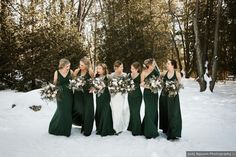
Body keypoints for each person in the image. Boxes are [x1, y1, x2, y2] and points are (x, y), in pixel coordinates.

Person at [49, 58, 73, 137]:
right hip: (60, 95)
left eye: (69, 66)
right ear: (62, 65)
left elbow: (74, 82)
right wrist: (53, 91)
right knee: (61, 111)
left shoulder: (71, 72)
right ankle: (56, 128)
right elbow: (54, 83)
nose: (68, 67)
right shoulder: (57, 72)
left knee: (68, 112)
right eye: (67, 66)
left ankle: (66, 130)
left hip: (69, 95)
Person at [159, 59, 182, 140]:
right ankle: (166, 129)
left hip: (173, 97)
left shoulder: (177, 74)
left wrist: (173, 87)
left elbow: (180, 86)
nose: (167, 64)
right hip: (164, 96)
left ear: (172, 65)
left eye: (168, 63)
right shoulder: (164, 73)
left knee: (173, 114)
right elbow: (159, 81)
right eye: (167, 63)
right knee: (165, 112)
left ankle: (173, 133)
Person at [73, 57, 94, 136]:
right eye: (79, 64)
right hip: (78, 94)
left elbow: (94, 82)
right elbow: (72, 80)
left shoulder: (90, 71)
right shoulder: (77, 71)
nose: (80, 66)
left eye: (82, 65)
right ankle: (81, 125)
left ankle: (87, 130)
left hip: (87, 94)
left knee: (88, 111)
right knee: (80, 110)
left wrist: (92, 87)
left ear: (86, 65)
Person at [141, 58, 160, 139]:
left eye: (154, 64)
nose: (154, 65)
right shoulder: (144, 72)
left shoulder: (156, 72)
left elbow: (159, 82)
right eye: (153, 64)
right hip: (147, 93)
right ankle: (149, 131)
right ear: (148, 65)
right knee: (149, 110)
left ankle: (153, 128)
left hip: (155, 94)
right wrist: (150, 85)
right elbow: (141, 84)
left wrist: (156, 85)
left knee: (154, 110)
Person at [94, 63, 115, 136]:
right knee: (99, 110)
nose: (98, 70)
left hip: (106, 96)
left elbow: (112, 86)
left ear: (104, 70)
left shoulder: (108, 77)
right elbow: (94, 87)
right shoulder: (96, 77)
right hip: (98, 97)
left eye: (99, 68)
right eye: (97, 68)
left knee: (105, 111)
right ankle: (99, 128)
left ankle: (106, 129)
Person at [109, 60, 129, 134]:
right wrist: (114, 88)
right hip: (114, 96)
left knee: (120, 111)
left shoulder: (125, 75)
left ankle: (118, 128)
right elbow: (109, 85)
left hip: (121, 96)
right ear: (116, 68)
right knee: (114, 111)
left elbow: (127, 85)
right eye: (121, 67)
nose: (122, 68)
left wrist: (123, 88)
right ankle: (114, 127)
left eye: (122, 67)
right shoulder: (111, 75)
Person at [127, 62, 142, 136]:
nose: (131, 69)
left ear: (137, 69)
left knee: (136, 112)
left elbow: (143, 83)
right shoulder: (129, 75)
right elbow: (126, 83)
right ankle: (131, 127)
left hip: (137, 96)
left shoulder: (140, 75)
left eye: (133, 68)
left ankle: (137, 130)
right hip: (130, 96)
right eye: (131, 68)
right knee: (132, 111)